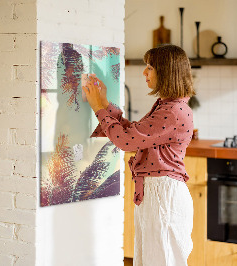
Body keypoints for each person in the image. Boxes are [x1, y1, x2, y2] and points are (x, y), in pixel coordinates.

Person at [82, 44, 195, 266]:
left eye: (150, 67)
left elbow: (126, 141)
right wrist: (104, 104)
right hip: (157, 193)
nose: (144, 72)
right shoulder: (168, 106)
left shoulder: (172, 111)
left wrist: (98, 108)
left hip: (163, 195)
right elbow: (134, 133)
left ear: (166, 72)